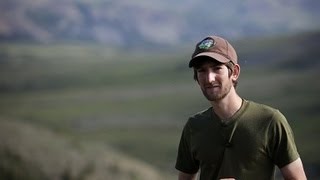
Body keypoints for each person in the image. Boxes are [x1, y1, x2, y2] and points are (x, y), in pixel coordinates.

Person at [175, 35, 307, 180]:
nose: (209, 78)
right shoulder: (194, 126)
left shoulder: (270, 121)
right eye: (202, 71)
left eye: (217, 69)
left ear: (235, 72)